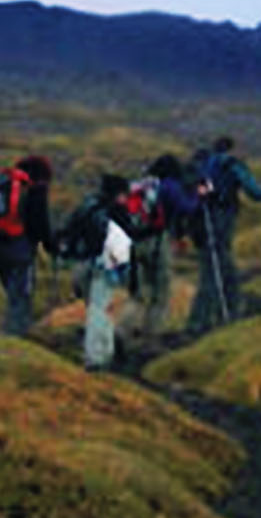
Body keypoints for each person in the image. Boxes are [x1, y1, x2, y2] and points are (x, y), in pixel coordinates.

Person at [184, 136, 261, 335]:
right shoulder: (230, 164)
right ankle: (212, 318)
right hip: (221, 220)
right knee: (219, 269)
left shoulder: (203, 164)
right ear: (231, 148)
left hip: (201, 222)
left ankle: (211, 317)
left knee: (213, 268)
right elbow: (252, 190)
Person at [127, 154, 202, 346]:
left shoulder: (141, 185)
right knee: (161, 291)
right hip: (157, 241)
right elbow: (186, 208)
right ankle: (150, 336)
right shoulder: (170, 185)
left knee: (139, 291)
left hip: (132, 242)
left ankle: (123, 330)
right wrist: (198, 195)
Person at [0, 155, 55, 337]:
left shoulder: (0, 186)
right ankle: (14, 338)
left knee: (12, 295)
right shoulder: (34, 189)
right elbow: (40, 224)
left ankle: (12, 334)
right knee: (20, 297)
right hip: (20, 250)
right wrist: (51, 246)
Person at [72, 175, 134, 371]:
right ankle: (96, 358)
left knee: (98, 308)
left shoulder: (88, 206)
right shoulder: (117, 212)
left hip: (83, 263)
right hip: (105, 266)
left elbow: (70, 231)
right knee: (100, 309)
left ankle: (106, 351)